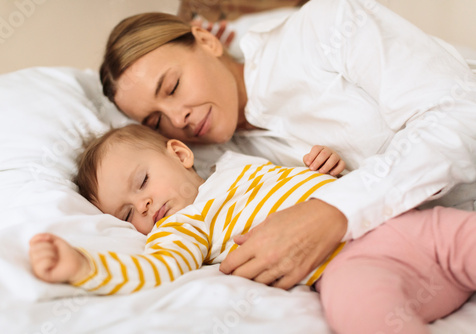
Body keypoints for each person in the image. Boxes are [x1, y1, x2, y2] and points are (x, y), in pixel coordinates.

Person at [98, 0, 476, 289]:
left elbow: (461, 114)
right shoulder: (218, 172)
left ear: (206, 40)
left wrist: (335, 211)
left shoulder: (325, 25)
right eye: (155, 120)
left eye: (173, 87)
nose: (177, 119)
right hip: (419, 256)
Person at [29, 124, 476, 334]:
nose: (142, 205)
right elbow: (157, 269)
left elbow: (330, 186)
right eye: (127, 214)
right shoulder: (185, 226)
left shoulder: (240, 164)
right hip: (348, 267)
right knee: (359, 316)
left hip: (398, 221)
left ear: (180, 154)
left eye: (142, 182)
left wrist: (329, 170)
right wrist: (83, 265)